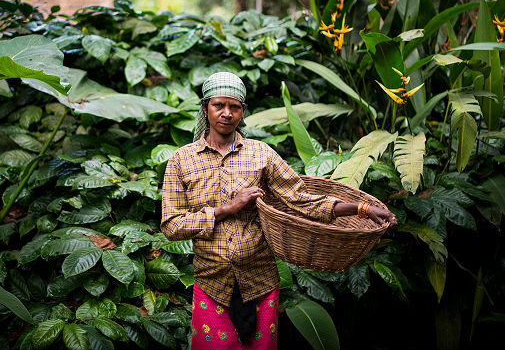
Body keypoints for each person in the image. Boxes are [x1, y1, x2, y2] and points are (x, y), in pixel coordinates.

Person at [161, 72, 396, 349]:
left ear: (242, 111)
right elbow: (171, 226)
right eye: (218, 105)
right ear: (205, 108)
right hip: (212, 285)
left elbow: (301, 199)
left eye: (234, 107)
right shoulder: (181, 160)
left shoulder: (261, 154)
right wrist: (227, 208)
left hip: (260, 283)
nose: (226, 113)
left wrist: (361, 208)